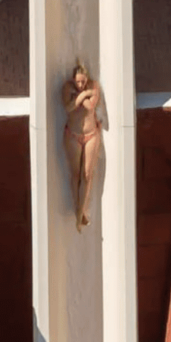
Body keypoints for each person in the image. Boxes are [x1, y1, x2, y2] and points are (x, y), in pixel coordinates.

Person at [62, 62, 104, 230]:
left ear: (87, 78)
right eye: (78, 82)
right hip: (73, 135)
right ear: (73, 80)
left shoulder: (94, 85)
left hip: (91, 134)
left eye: (83, 82)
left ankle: (80, 212)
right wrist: (85, 93)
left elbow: (90, 106)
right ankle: (79, 212)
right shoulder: (67, 88)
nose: (81, 85)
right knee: (76, 174)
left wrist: (80, 95)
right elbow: (69, 108)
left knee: (87, 175)